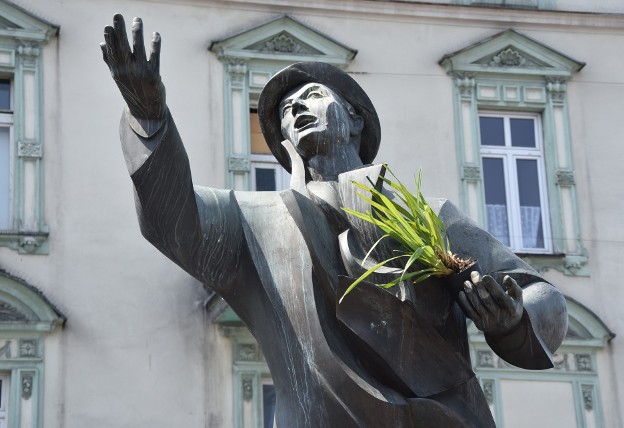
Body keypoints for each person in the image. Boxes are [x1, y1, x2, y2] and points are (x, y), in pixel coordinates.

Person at [101, 14, 568, 427]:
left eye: (313, 96)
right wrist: (150, 119)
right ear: (282, 139)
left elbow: (536, 293)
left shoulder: (425, 213)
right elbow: (172, 219)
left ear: (355, 119)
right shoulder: (253, 222)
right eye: (286, 111)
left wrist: (510, 318)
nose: (297, 109)